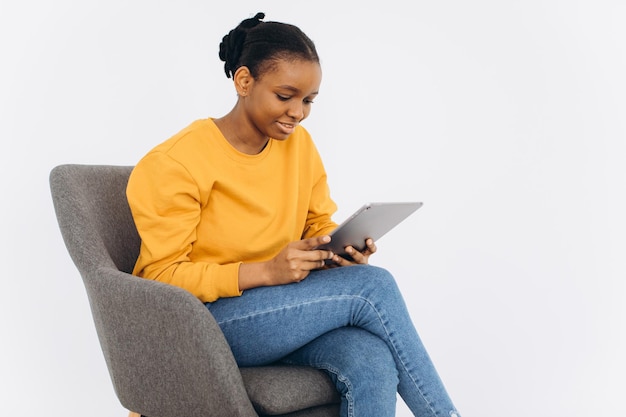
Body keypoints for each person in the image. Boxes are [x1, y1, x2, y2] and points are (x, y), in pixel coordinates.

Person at [126, 12, 461, 417]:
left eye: (308, 101)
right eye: (285, 96)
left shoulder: (298, 146)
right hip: (200, 326)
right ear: (244, 81)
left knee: (370, 357)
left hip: (276, 311)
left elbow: (317, 223)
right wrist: (266, 271)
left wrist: (340, 251)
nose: (298, 113)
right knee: (373, 288)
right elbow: (159, 278)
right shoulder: (176, 163)